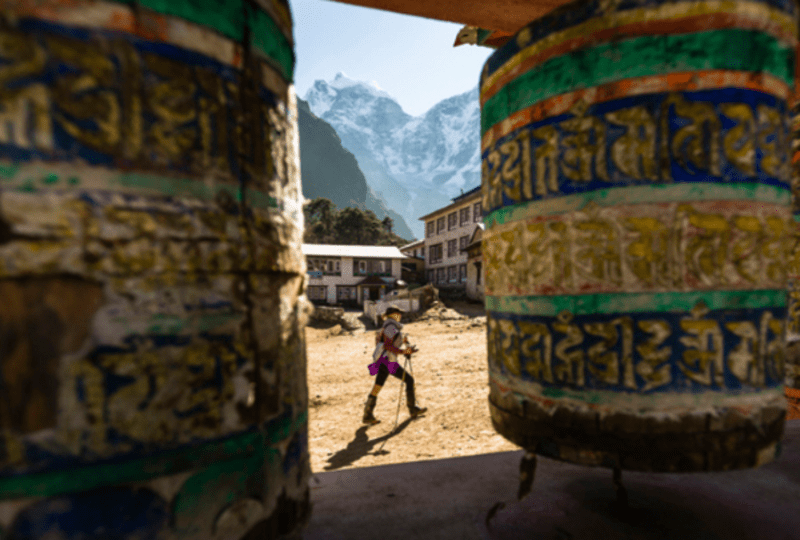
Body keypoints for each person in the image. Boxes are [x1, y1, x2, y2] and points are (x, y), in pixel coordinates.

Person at [363, 306, 427, 425]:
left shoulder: (387, 326)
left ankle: (367, 414)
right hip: (388, 362)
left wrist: (402, 343)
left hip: (382, 361)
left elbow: (388, 343)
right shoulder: (391, 327)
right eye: (399, 313)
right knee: (409, 380)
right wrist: (404, 352)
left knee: (378, 386)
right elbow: (388, 346)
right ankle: (412, 409)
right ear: (392, 314)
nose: (401, 315)